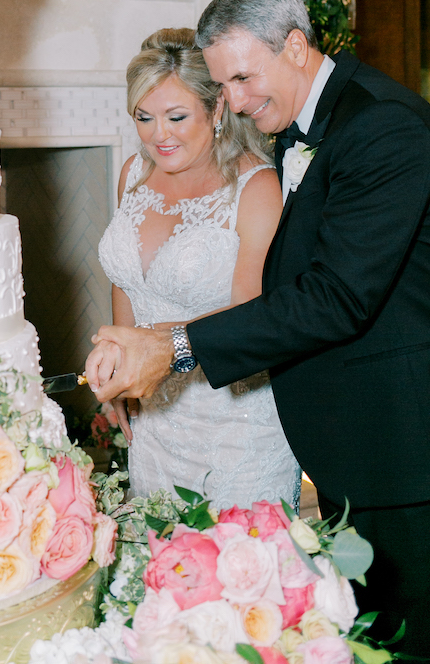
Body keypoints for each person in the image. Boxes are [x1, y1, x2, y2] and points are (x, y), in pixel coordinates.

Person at [86, 0, 430, 653]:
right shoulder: (302, 128)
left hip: (401, 443)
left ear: (296, 47)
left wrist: (178, 347)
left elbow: (337, 297)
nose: (236, 101)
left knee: (409, 632)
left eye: (245, 78)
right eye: (224, 84)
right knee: (364, 629)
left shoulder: (383, 125)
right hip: (348, 441)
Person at [97, 27, 300, 508]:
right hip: (153, 419)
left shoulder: (255, 188)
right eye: (144, 118)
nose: (157, 135)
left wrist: (156, 350)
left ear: (217, 109)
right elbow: (125, 282)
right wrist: (118, 376)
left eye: (176, 116)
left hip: (233, 426)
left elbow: (250, 322)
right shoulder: (132, 173)